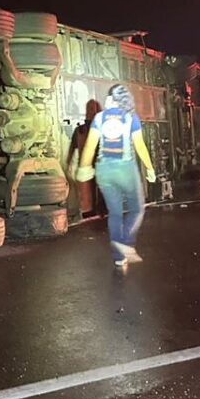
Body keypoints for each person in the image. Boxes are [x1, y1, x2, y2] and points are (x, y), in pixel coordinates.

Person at [74, 85, 156, 268]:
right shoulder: (131, 118)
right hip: (125, 169)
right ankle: (125, 242)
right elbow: (140, 146)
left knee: (115, 213)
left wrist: (84, 168)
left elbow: (89, 146)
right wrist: (150, 169)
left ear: (111, 99)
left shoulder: (99, 118)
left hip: (104, 169)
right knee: (136, 209)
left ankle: (119, 258)